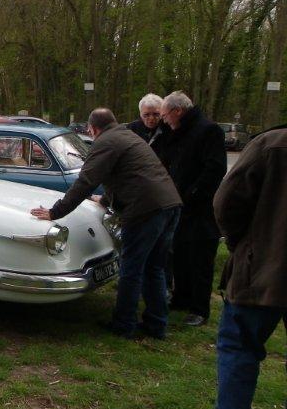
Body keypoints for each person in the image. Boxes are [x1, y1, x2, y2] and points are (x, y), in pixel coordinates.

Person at [31, 108, 181, 338]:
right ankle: (156, 324)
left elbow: (86, 181)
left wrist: (55, 212)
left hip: (145, 210)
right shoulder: (128, 136)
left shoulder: (105, 142)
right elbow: (129, 174)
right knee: (154, 268)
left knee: (131, 269)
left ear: (92, 129)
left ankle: (124, 324)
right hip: (170, 204)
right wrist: (104, 200)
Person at [190, 125, 287, 409]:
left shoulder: (273, 144)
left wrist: (240, 244)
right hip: (264, 264)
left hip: (262, 268)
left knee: (239, 347)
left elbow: (226, 201)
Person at [160, 91, 226, 326]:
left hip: (201, 209)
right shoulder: (177, 132)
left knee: (200, 259)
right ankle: (181, 297)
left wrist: (191, 195)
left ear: (178, 111)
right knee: (180, 255)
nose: (164, 120)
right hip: (180, 205)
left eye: (165, 115)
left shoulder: (209, 130)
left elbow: (215, 169)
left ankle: (199, 308)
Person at [126, 93, 170, 157]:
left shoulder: (169, 128)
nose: (151, 118)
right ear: (140, 114)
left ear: (162, 113)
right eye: (146, 115)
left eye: (156, 114)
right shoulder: (131, 129)